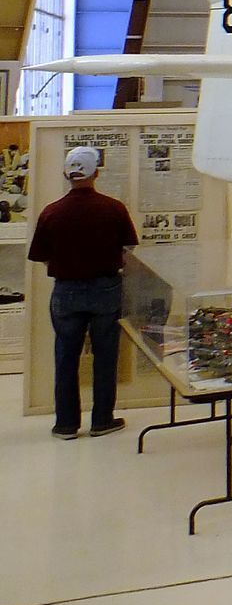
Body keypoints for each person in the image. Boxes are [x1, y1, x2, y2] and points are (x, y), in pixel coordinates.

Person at [29, 146, 139, 439]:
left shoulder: (51, 212)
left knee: (65, 356)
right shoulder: (114, 208)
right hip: (106, 288)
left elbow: (41, 255)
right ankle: (102, 419)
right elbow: (128, 247)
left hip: (66, 291)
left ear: (67, 173)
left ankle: (66, 424)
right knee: (106, 356)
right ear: (96, 173)